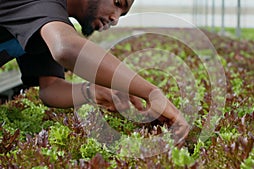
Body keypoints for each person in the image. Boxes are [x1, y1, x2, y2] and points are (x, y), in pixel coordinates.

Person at [0, 0, 189, 145]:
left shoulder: (49, 21)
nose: (115, 19)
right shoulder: (41, 5)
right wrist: (150, 92)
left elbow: (50, 88)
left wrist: (92, 91)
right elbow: (66, 48)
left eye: (121, 14)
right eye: (117, 3)